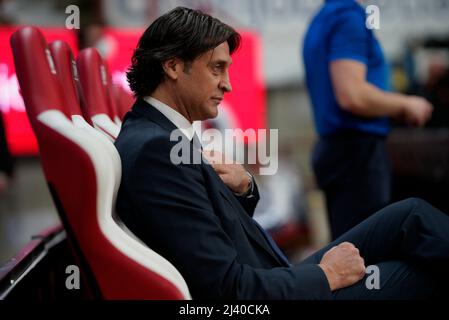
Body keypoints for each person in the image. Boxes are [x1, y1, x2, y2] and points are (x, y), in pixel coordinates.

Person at [115, 7, 449, 300]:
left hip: (271, 275)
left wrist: (244, 187)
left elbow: (208, 225)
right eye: (216, 68)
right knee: (421, 273)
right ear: (173, 66)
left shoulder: (157, 134)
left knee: (411, 216)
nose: (227, 84)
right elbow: (228, 291)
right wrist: (326, 275)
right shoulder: (156, 151)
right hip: (268, 290)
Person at [303, 0, 433, 239]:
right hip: (356, 154)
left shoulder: (324, 18)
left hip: (341, 150)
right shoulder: (348, 17)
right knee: (363, 253)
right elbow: (352, 95)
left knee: (351, 249)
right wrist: (406, 103)